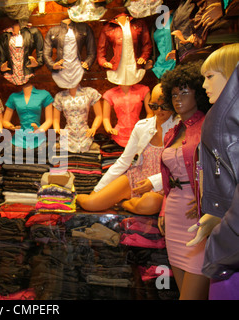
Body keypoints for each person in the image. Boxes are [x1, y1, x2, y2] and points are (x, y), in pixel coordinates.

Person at [77, 84, 179, 214]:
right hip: (137, 177)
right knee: (90, 203)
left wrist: (154, 181)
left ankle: (123, 203)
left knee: (149, 202)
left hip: (164, 183)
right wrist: (97, 190)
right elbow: (124, 161)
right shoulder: (142, 127)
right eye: (154, 106)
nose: (159, 110)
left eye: (165, 106)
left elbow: (180, 167)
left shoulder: (180, 128)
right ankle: (72, 196)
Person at [187, 43, 239, 300]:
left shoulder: (227, 126)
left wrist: (221, 238)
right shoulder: (219, 120)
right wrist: (215, 214)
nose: (204, 85)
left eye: (210, 77)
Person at [159, 60, 211, 299]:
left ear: (198, 93)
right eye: (174, 93)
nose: (178, 97)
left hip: (198, 216)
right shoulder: (172, 132)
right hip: (174, 213)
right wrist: (162, 210)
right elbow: (168, 180)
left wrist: (207, 201)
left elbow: (222, 171)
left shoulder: (208, 127)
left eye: (184, 91)